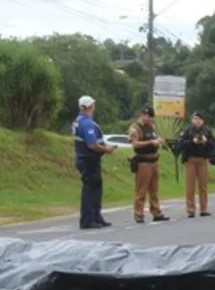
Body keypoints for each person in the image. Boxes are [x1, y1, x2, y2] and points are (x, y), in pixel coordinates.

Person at [71, 95, 117, 229]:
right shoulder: (86, 123)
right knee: (90, 189)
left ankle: (96, 216)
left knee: (96, 188)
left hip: (85, 158)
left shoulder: (77, 121)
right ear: (89, 107)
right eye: (92, 105)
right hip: (88, 159)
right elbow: (91, 144)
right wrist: (106, 149)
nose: (93, 107)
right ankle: (88, 219)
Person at [128, 106, 170, 224]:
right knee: (141, 190)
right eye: (148, 117)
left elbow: (155, 138)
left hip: (154, 160)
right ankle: (139, 214)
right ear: (142, 115)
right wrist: (151, 142)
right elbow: (135, 144)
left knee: (154, 190)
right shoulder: (135, 128)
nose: (150, 119)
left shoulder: (151, 127)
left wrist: (158, 141)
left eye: (151, 117)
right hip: (143, 162)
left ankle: (156, 212)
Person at [178, 111, 215, 218]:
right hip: (190, 160)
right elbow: (181, 144)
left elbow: (214, 146)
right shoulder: (187, 131)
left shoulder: (207, 131)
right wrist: (192, 141)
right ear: (192, 120)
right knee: (190, 186)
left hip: (203, 160)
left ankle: (204, 209)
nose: (197, 121)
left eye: (199, 119)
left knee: (203, 186)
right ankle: (190, 209)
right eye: (195, 119)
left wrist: (206, 141)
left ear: (203, 121)